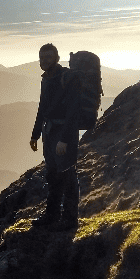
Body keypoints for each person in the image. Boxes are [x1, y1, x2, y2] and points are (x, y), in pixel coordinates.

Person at [29, 43, 82, 230]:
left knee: (67, 174)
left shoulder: (66, 78)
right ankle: (51, 215)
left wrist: (65, 140)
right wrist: (35, 135)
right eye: (41, 58)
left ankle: (70, 220)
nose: (44, 61)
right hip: (49, 132)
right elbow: (42, 109)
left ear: (57, 58)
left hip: (63, 133)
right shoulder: (47, 79)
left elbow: (73, 111)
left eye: (48, 57)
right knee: (52, 174)